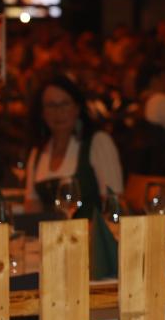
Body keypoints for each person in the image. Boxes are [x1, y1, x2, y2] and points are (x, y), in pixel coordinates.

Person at [23, 73, 124, 216]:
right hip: (48, 231)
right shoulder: (38, 152)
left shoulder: (98, 143)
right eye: (51, 106)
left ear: (77, 108)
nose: (58, 112)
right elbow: (32, 208)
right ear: (42, 113)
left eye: (64, 104)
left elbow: (113, 204)